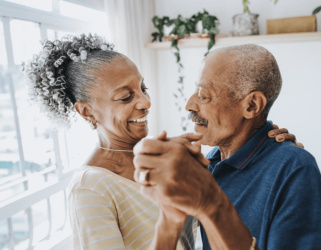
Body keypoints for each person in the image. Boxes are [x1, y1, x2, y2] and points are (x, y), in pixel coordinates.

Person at [23, 35, 301, 250]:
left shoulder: (168, 156)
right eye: (125, 97)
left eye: (142, 88)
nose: (145, 102)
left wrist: (272, 153)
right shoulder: (90, 188)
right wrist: (169, 224)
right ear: (87, 111)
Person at [133, 45, 321, 250]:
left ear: (252, 105)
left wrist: (213, 203)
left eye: (203, 94)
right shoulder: (212, 161)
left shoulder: (295, 168)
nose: (189, 105)